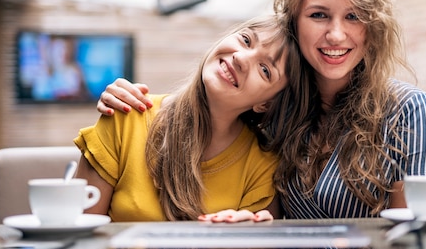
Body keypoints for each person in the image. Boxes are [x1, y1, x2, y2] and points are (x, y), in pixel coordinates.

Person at [96, 0, 426, 221]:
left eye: (354, 16)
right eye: (319, 15)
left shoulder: (407, 110)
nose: (336, 34)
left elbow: (421, 235)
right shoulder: (277, 110)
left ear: (373, 27)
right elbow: (208, 109)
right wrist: (127, 109)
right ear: (294, 23)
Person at [74, 15, 305, 222]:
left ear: (265, 104)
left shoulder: (262, 165)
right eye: (246, 40)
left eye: (265, 70)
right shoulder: (125, 116)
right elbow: (75, 236)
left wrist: (238, 242)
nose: (241, 58)